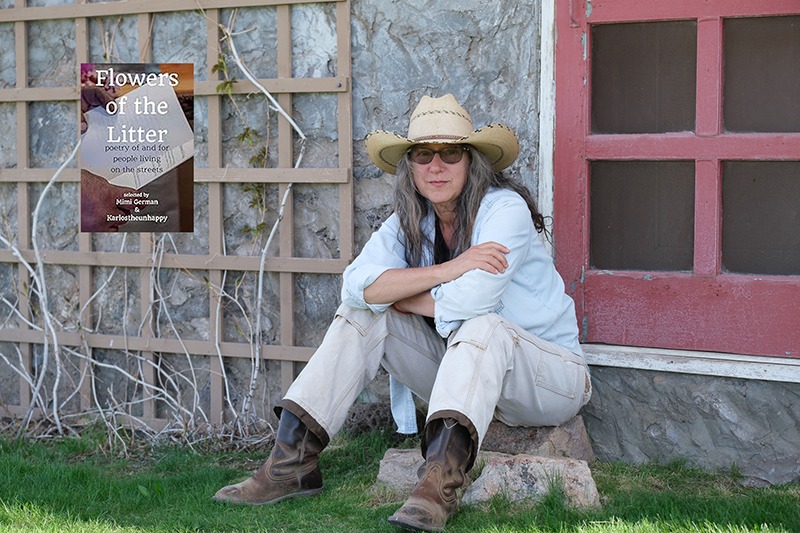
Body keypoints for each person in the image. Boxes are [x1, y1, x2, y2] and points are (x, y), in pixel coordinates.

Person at [212, 94, 591, 532]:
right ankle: (290, 463)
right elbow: (356, 286)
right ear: (410, 165)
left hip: (549, 379)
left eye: (450, 153)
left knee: (482, 324)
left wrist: (399, 291)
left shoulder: (505, 210)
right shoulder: (412, 220)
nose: (436, 165)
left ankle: (438, 486)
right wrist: (450, 268)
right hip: (468, 378)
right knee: (364, 316)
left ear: (471, 161)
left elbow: (473, 300)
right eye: (423, 154)